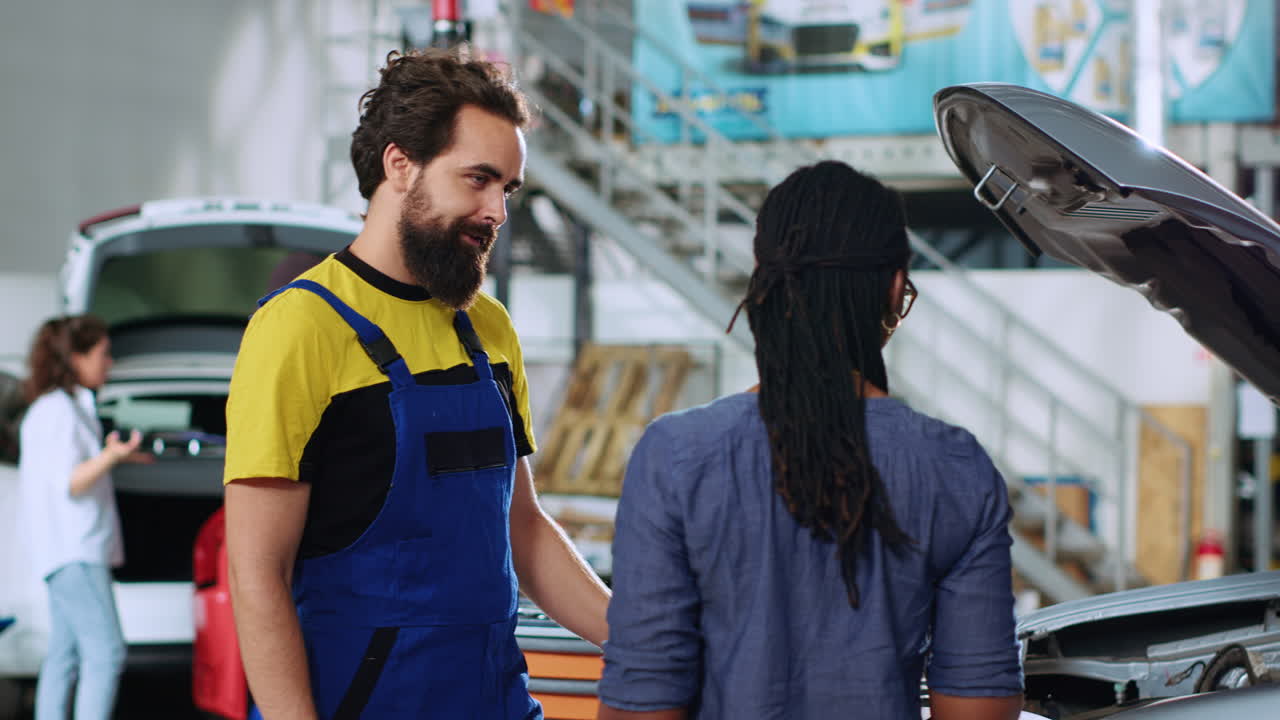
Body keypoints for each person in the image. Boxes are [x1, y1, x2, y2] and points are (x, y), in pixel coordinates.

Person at [224, 46, 610, 720]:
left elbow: (522, 526)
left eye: (508, 189)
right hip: (361, 700)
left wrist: (653, 641)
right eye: (478, 179)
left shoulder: (487, 328)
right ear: (399, 165)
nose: (497, 211)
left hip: (492, 696)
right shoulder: (299, 329)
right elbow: (258, 577)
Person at [597, 161, 1024, 720]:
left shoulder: (675, 457)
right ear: (896, 290)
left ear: (763, 282)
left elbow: (643, 703)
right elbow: (979, 709)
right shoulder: (955, 466)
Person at [20, 314, 150, 720]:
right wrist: (111, 455)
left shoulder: (63, 408)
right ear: (75, 358)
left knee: (65, 653)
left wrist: (113, 455)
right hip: (75, 551)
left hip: (63, 552)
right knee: (107, 652)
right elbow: (71, 482)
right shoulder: (58, 411)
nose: (109, 363)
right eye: (103, 354)